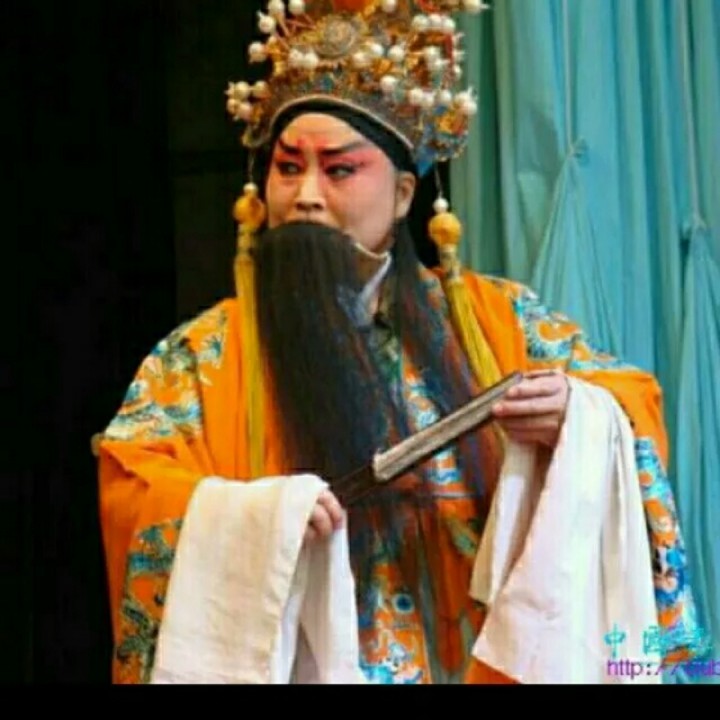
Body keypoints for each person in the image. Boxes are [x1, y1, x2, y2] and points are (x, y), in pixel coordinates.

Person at [97, 0, 702, 684]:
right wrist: (259, 524)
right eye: (288, 168)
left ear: (405, 194)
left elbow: (629, 403)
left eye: (339, 170)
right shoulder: (200, 358)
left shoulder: (501, 321)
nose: (305, 195)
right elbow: (136, 482)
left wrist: (575, 418)